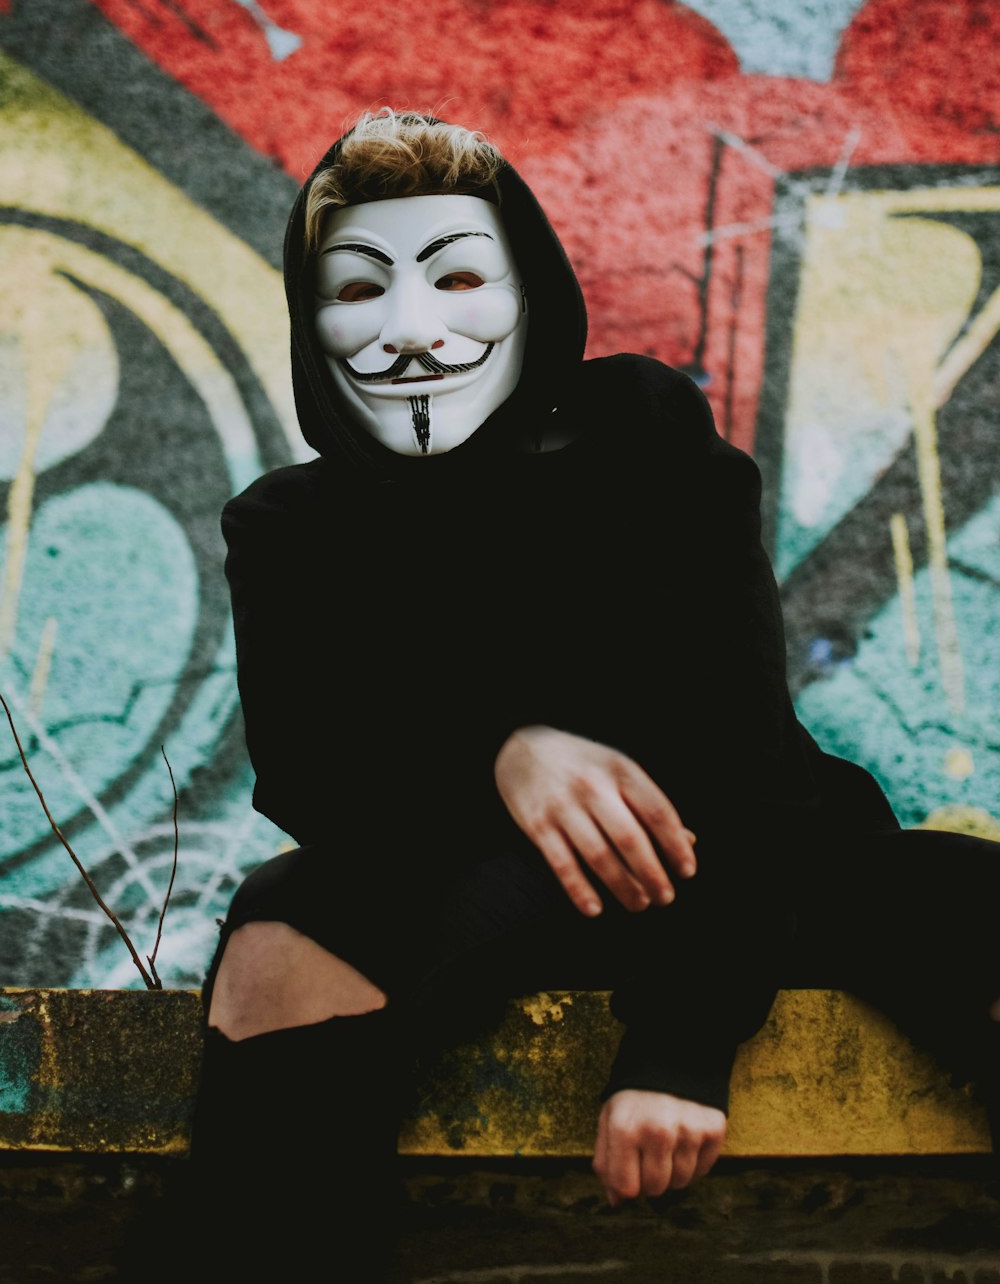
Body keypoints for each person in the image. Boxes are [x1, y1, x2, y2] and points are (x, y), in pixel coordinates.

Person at [185, 109, 1000, 1280]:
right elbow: (311, 766)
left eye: (458, 275)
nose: (411, 331)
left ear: (530, 285)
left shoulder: (639, 435)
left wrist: (679, 1041)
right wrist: (500, 752)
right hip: (468, 875)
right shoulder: (291, 524)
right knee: (282, 934)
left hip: (740, 857)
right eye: (355, 290)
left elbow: (738, 750)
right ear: (311, 320)